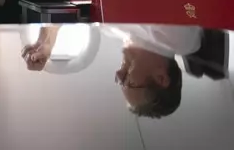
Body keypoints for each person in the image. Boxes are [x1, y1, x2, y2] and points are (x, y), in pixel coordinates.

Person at [21, 23, 202, 118]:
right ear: (161, 77)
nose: (118, 74)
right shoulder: (173, 32)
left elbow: (76, 4)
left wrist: (46, 42)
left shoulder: (116, 31)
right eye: (129, 82)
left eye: (120, 82)